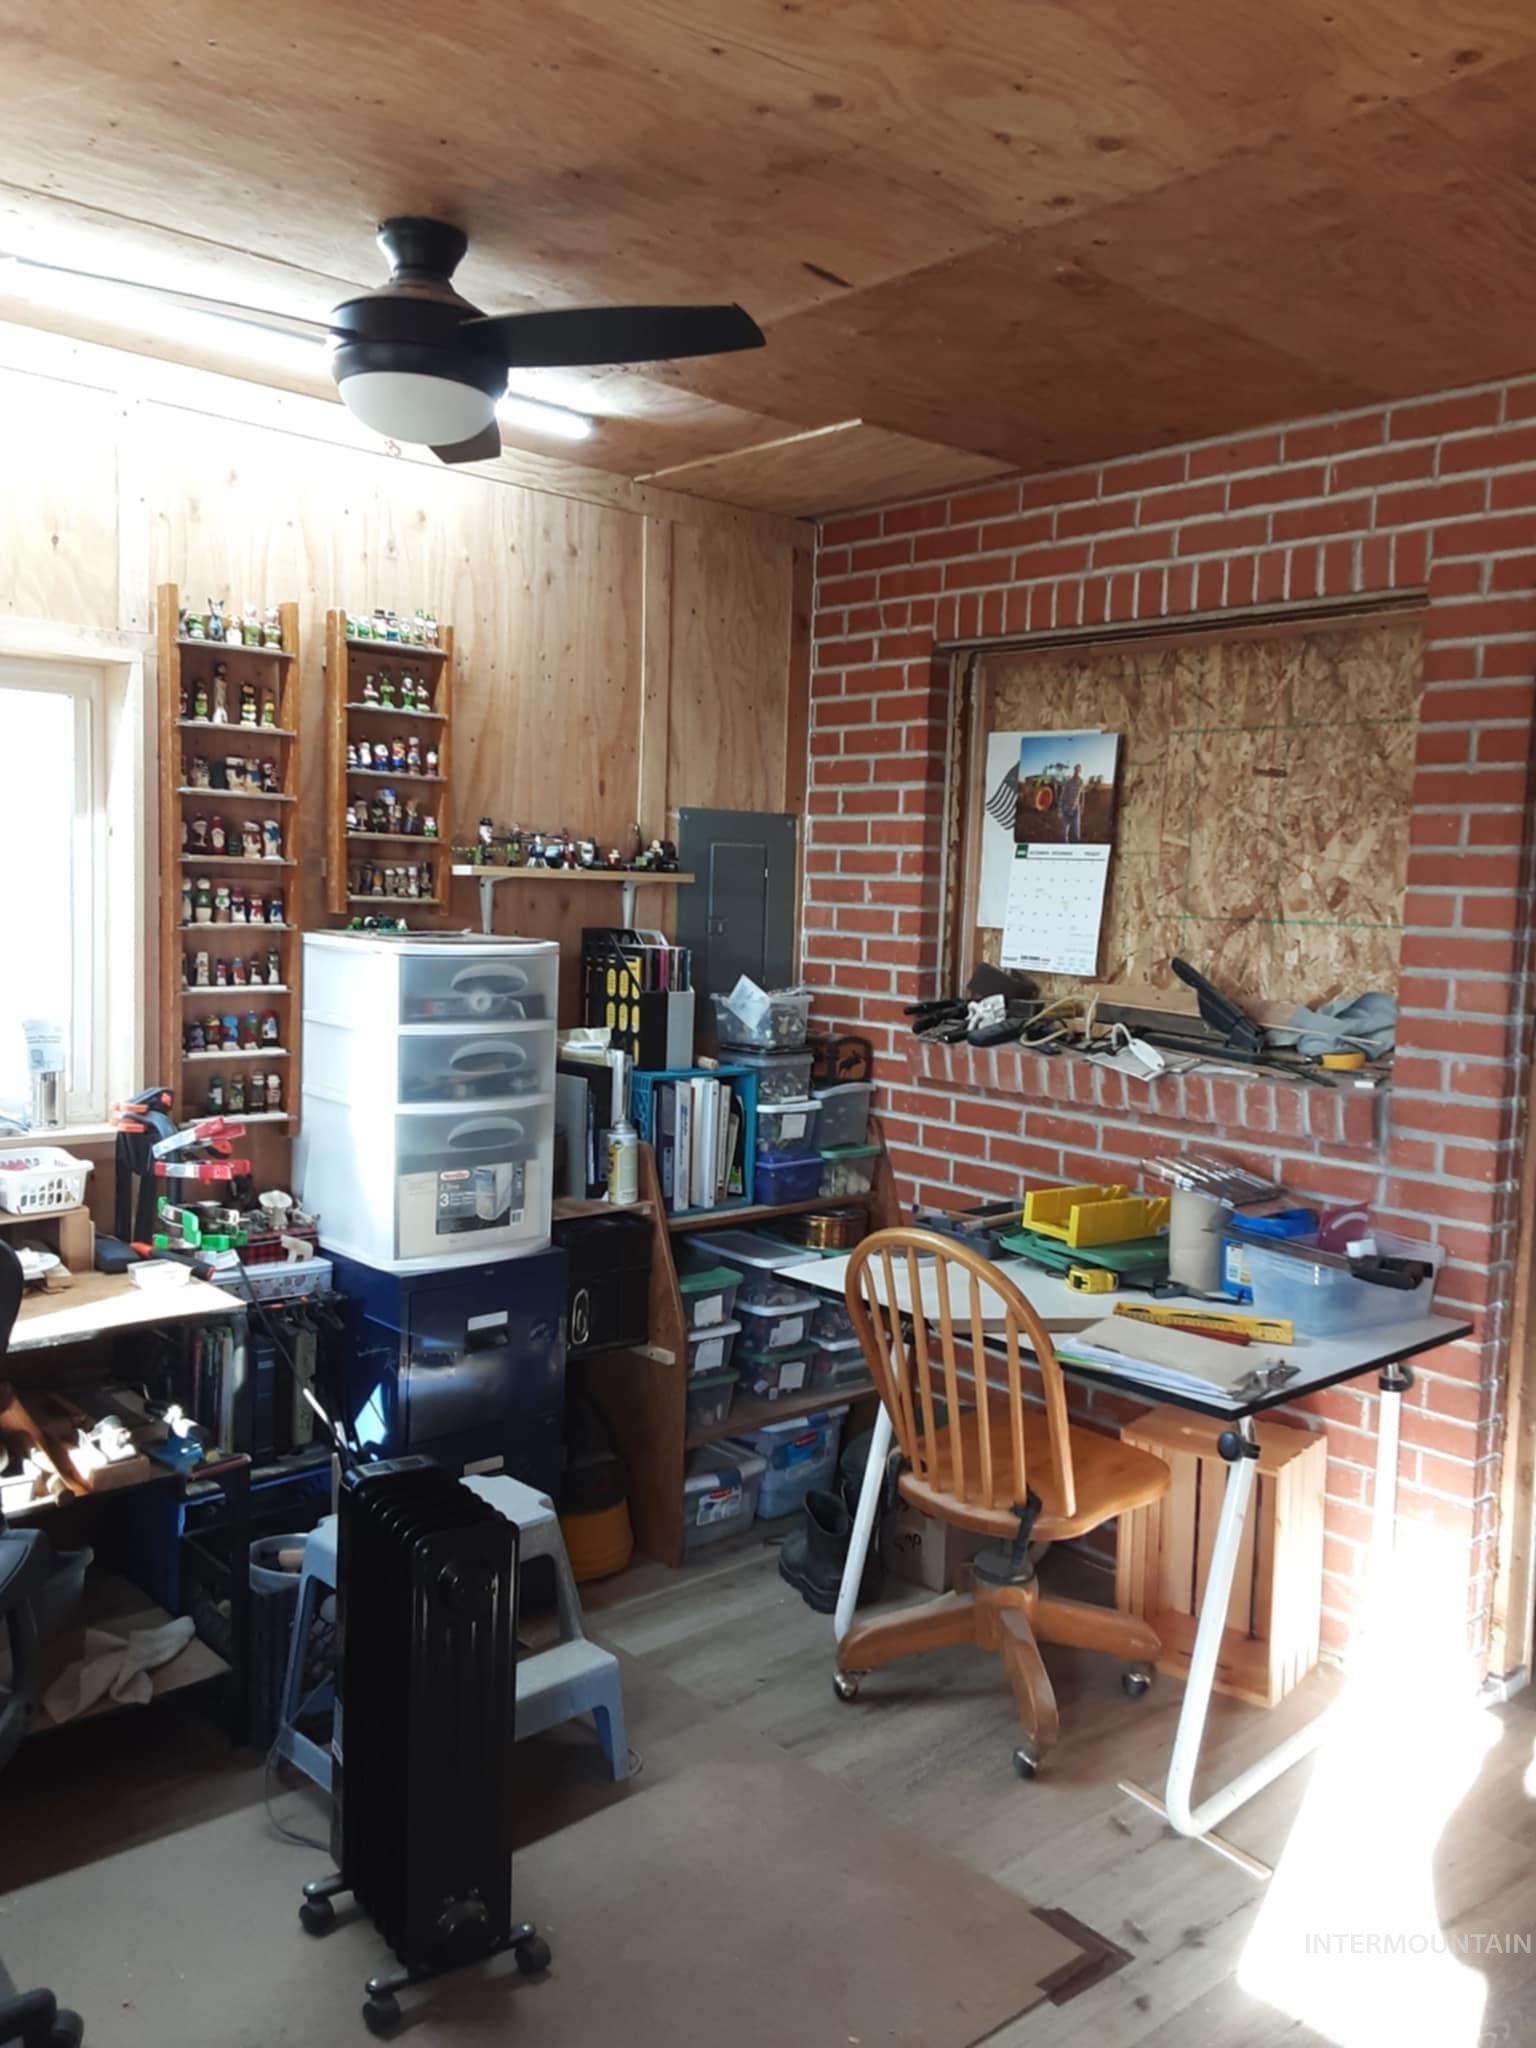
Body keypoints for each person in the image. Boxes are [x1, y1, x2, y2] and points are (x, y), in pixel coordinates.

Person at [1059, 763, 1085, 843]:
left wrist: (1082, 806)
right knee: (1064, 834)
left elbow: (1082, 795)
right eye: (1076, 769)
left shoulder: (1081, 782)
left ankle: (1075, 847)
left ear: (1080, 771)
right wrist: (1060, 810)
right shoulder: (1068, 782)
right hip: (1066, 810)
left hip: (1075, 810)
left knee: (1076, 833)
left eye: (1079, 770)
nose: (1077, 771)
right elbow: (1062, 796)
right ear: (1074, 770)